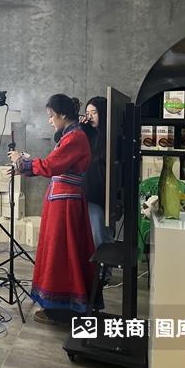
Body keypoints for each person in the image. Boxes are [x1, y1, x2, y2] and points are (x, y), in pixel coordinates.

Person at [8, 94, 95, 324]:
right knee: (60, 250)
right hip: (62, 199)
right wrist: (23, 167)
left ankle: (61, 309)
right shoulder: (71, 135)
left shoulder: (75, 137)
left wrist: (21, 160)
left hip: (65, 203)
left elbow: (50, 166)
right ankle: (60, 306)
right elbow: (52, 166)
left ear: (62, 114)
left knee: (61, 253)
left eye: (51, 116)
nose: (50, 121)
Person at [79, 96, 114, 281]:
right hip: (89, 191)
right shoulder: (87, 134)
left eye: (94, 112)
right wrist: (81, 127)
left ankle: (104, 274)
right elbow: (59, 137)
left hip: (104, 194)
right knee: (94, 233)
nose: (90, 116)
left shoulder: (112, 136)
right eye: (88, 112)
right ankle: (97, 273)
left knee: (101, 233)